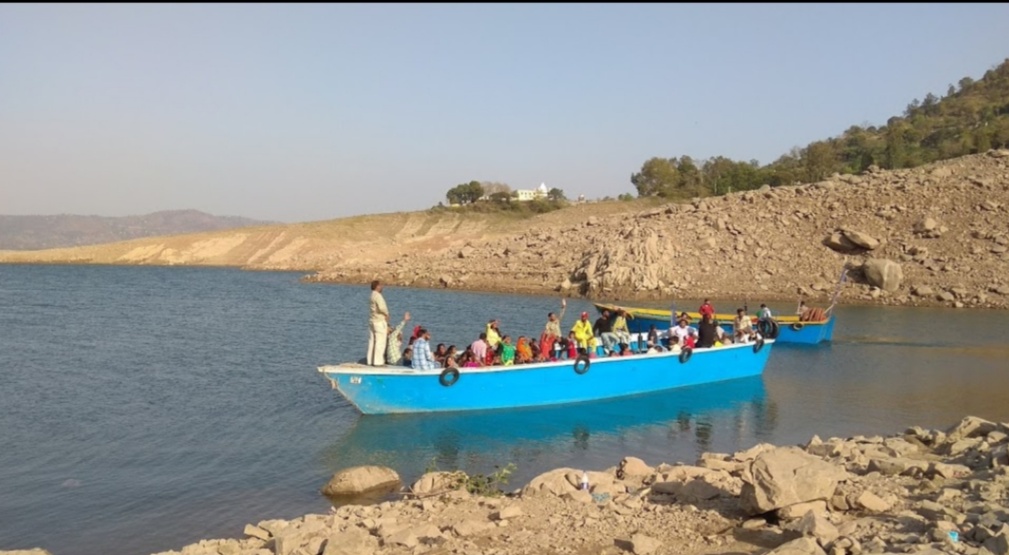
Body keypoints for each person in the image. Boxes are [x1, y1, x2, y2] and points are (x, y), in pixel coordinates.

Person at [367, 280, 391, 366]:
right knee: (380, 342)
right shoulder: (378, 296)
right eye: (381, 286)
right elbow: (382, 307)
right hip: (379, 321)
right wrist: (387, 314)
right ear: (377, 286)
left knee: (372, 341)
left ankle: (370, 360)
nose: (382, 287)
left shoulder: (371, 295)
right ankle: (378, 362)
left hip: (372, 320)